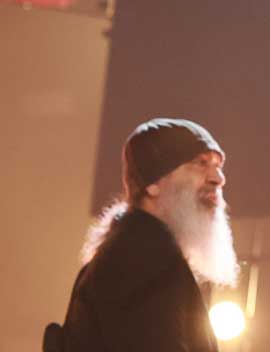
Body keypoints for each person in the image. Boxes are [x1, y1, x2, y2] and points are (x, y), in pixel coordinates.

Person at [46, 118, 237, 352]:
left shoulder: (137, 252)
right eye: (201, 163)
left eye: (218, 166)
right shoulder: (141, 259)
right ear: (152, 183)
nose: (218, 178)